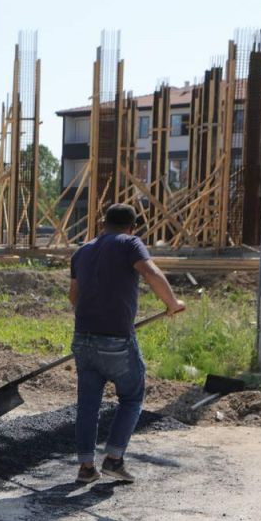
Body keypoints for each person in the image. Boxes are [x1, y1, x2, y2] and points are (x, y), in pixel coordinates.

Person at [69, 204, 185, 484]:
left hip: (83, 338)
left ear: (103, 223)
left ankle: (86, 467)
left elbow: (73, 296)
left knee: (87, 405)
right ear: (133, 227)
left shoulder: (82, 251)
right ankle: (114, 459)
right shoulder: (130, 243)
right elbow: (150, 273)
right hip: (116, 340)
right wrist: (172, 303)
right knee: (132, 398)